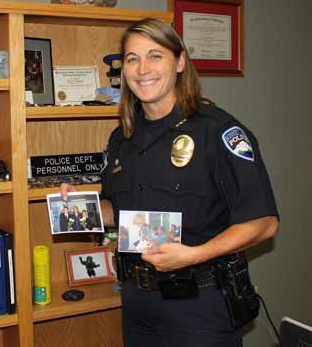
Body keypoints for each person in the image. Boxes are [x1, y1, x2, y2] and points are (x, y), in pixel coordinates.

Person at [60, 18, 279, 346]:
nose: (142, 68)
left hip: (200, 307)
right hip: (138, 305)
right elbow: (116, 210)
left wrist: (194, 255)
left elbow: (264, 223)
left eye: (155, 56)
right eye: (132, 59)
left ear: (179, 62)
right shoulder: (122, 138)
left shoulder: (217, 131)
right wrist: (80, 205)